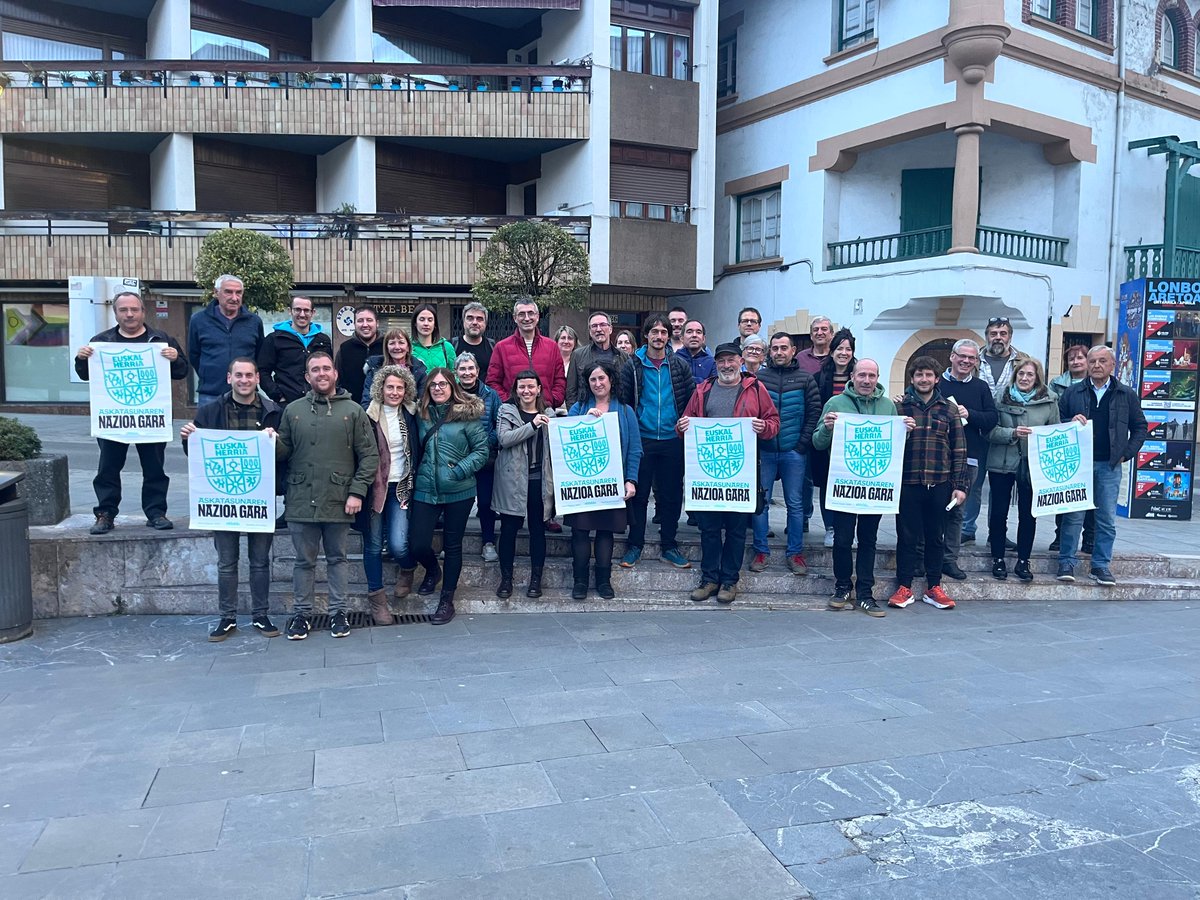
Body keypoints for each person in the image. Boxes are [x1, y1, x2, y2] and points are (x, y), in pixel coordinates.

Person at [276, 351, 378, 640]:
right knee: (303, 562)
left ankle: (338, 613)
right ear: (307, 377)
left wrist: (357, 492)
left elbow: (369, 456)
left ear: (335, 374)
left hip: (340, 498)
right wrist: (268, 442)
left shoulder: (354, 411)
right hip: (301, 498)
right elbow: (283, 451)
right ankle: (301, 615)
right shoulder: (293, 410)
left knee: (338, 559)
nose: (321, 373)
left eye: (326, 368)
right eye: (315, 370)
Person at [182, 358, 283, 640]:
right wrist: (188, 438)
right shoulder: (210, 411)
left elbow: (285, 452)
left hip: (259, 499)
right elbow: (198, 456)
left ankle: (260, 615)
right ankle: (227, 618)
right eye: (238, 375)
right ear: (229, 378)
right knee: (227, 562)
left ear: (257, 378)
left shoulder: (273, 412)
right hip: (222, 499)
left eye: (249, 375)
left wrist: (275, 440)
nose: (244, 380)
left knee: (260, 561)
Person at [74, 291, 189, 535]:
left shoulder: (161, 338)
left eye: (134, 309)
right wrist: (81, 359)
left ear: (142, 312)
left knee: (155, 468)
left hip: (151, 416)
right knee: (107, 468)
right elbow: (86, 375)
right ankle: (105, 514)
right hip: (113, 418)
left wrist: (176, 357)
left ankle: (156, 512)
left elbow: (182, 372)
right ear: (115, 313)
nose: (129, 314)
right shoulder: (101, 341)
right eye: (123, 310)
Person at [679, 343, 779, 603]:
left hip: (741, 473)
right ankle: (709, 579)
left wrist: (763, 426)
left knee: (736, 530)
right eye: (721, 361)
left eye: (731, 360)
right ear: (716, 363)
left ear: (741, 360)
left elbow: (774, 422)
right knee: (709, 529)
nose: (726, 365)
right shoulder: (703, 390)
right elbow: (685, 423)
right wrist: (683, 425)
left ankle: (729, 581)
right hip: (708, 474)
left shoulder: (756, 389)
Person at [812, 358, 908, 617]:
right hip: (845, 483)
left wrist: (904, 431)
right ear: (852, 377)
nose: (867, 380)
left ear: (878, 378)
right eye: (862, 375)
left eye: (872, 375)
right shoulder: (835, 403)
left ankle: (865, 592)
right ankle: (842, 586)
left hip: (874, 486)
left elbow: (895, 444)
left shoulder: (888, 406)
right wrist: (828, 429)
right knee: (842, 539)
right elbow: (818, 442)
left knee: (869, 540)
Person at [1056, 345, 1148, 587]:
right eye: (1093, 361)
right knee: (1073, 516)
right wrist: (1068, 421)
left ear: (1112, 365)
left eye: (1102, 361)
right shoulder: (1073, 392)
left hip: (1109, 465)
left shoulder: (1125, 394)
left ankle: (1101, 565)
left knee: (1106, 517)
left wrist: (1126, 454)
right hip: (1078, 464)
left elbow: (1140, 427)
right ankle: (1066, 561)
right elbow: (1056, 422)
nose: (1097, 365)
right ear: (1087, 364)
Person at [408, 368, 489, 624]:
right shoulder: (421, 416)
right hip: (425, 487)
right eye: (433, 385)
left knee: (453, 546)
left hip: (459, 490)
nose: (438, 389)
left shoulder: (467, 417)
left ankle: (447, 600)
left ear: (453, 387)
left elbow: (482, 450)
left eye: (443, 384)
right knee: (417, 543)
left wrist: (459, 471)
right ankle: (433, 570)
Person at [889, 356, 969, 611]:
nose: (924, 379)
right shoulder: (899, 408)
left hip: (940, 483)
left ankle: (934, 586)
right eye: (919, 375)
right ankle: (904, 586)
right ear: (912, 378)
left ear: (936, 379)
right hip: (908, 482)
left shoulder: (949, 409)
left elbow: (959, 449)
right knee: (907, 537)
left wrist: (960, 485)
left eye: (928, 375)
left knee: (936, 537)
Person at [617, 314, 696, 570]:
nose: (659, 336)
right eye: (655, 332)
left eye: (664, 332)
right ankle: (635, 544)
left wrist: (685, 421)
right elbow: (625, 400)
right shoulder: (632, 365)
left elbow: (690, 400)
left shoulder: (680, 365)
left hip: (673, 438)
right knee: (638, 495)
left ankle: (669, 545)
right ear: (646, 335)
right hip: (642, 438)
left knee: (672, 496)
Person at [567, 360, 641, 599]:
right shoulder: (578, 409)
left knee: (605, 532)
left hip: (612, 482)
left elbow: (635, 449)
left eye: (602, 378)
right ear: (587, 383)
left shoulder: (626, 411)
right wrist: (583, 422)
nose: (598, 383)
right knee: (579, 531)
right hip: (581, 483)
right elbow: (565, 440)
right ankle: (579, 581)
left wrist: (631, 480)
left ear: (611, 380)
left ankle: (603, 581)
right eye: (593, 380)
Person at [750, 331, 821, 575]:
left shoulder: (805, 378)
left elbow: (814, 412)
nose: (779, 352)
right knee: (761, 503)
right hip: (765, 451)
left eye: (784, 348)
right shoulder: (758, 378)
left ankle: (795, 553)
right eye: (775, 348)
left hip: (794, 451)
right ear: (769, 352)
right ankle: (761, 551)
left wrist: (801, 445)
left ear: (793, 351)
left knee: (796, 504)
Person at [986, 356, 1059, 583]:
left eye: (1030, 374)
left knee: (1028, 514)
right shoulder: (1000, 398)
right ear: (1014, 376)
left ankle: (1023, 560)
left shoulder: (1049, 401)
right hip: (1002, 462)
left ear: (1037, 378)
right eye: (1021, 374)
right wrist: (1012, 433)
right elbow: (989, 432)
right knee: (998, 513)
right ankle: (997, 558)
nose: (1025, 378)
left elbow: (1054, 432)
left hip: (1032, 464)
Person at [363, 365, 421, 625]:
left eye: (400, 387)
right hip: (375, 488)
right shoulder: (367, 415)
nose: (395, 392)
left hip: (402, 487)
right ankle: (378, 601)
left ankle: (407, 568)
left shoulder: (412, 413)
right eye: (390, 387)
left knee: (398, 544)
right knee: (374, 545)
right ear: (380, 389)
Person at [493, 370, 555, 599]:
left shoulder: (548, 413)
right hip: (512, 480)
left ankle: (536, 580)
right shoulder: (506, 411)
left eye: (531, 386)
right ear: (515, 390)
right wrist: (533, 426)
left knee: (538, 530)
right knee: (509, 529)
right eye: (522, 387)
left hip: (539, 479)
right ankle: (505, 579)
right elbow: (504, 439)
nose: (527, 391)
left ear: (539, 388)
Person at [939, 338, 999, 575]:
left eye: (971, 358)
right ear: (952, 356)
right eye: (961, 356)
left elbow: (992, 418)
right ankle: (927, 556)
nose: (965, 361)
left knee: (957, 510)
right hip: (937, 457)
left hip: (969, 456)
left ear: (976, 362)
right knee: (933, 507)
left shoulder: (981, 387)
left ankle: (949, 559)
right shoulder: (936, 381)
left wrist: (970, 414)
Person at [188, 275, 263, 408]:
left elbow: (259, 356)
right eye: (228, 292)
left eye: (238, 292)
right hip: (210, 394)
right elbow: (194, 355)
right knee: (208, 429)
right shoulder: (199, 320)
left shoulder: (254, 322)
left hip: (245, 394)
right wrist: (210, 374)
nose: (234, 298)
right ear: (216, 293)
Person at [454, 352, 501, 562]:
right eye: (462, 369)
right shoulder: (450, 394)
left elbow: (497, 425)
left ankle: (488, 542)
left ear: (477, 371)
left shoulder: (491, 395)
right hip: (458, 458)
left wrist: (482, 445)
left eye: (470, 368)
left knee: (485, 502)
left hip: (485, 457)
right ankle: (452, 544)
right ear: (456, 372)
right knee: (457, 504)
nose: (467, 373)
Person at [813, 328, 857, 549]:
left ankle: (849, 528)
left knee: (851, 483)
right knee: (826, 484)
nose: (844, 353)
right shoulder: (819, 377)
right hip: (827, 438)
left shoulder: (860, 376)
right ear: (831, 352)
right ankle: (830, 527)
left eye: (848, 349)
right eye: (840, 348)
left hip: (853, 442)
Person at [1049, 344, 1094, 553]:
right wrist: (1070, 421)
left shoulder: (1096, 385)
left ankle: (1089, 537)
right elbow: (1055, 415)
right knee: (1065, 493)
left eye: (1080, 358)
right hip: (1067, 444)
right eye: (1072, 359)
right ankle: (1060, 535)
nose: (1076, 362)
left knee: (1090, 497)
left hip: (1091, 446)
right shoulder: (1057, 385)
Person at [486, 297, 567, 407]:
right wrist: (508, 401)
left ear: (537, 316)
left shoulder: (552, 346)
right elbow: (492, 382)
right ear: (515, 318)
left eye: (530, 313)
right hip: (514, 412)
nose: (527, 318)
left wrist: (552, 399)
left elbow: (560, 380)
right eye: (521, 314)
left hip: (545, 410)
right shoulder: (501, 347)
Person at [257, 296, 334, 405]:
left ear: (313, 312)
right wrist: (278, 395)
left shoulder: (323, 340)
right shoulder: (275, 339)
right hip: (287, 403)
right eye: (298, 309)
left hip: (319, 402)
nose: (302, 314)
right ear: (290, 311)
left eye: (306, 310)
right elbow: (263, 371)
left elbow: (329, 370)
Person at [567, 311, 624, 408]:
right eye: (594, 326)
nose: (598, 329)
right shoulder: (578, 355)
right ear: (589, 331)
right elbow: (571, 391)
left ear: (610, 329)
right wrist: (577, 415)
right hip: (586, 413)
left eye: (602, 325)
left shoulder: (623, 356)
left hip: (616, 412)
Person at [362, 328, 427, 406]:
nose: (397, 347)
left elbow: (423, 403)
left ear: (408, 347)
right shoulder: (375, 368)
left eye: (401, 343)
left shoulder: (418, 370)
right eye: (392, 343)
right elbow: (366, 402)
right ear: (387, 348)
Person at [335, 305, 382, 403]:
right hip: (351, 407)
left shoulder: (387, 346)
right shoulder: (345, 349)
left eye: (369, 320)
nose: (365, 325)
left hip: (382, 408)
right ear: (354, 324)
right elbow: (337, 381)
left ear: (377, 323)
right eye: (360, 320)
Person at [977, 316, 1020, 399]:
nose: (998, 337)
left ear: (1010, 337)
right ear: (986, 337)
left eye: (1003, 334)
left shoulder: (1023, 360)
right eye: (993, 334)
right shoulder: (973, 360)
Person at [410, 302, 456, 372]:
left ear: (435, 324)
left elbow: (455, 373)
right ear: (415, 323)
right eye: (422, 319)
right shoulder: (407, 347)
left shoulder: (447, 347)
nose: (426, 324)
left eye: (430, 320)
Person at [453, 302, 495, 379]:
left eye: (479, 319)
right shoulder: (451, 346)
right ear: (463, 321)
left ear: (485, 323)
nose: (475, 322)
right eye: (470, 318)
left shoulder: (493, 347)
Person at [677, 319, 715, 385]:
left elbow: (714, 386)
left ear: (703, 339)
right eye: (689, 332)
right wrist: (702, 381)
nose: (694, 335)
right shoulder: (674, 360)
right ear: (681, 338)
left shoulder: (712, 362)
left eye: (698, 332)